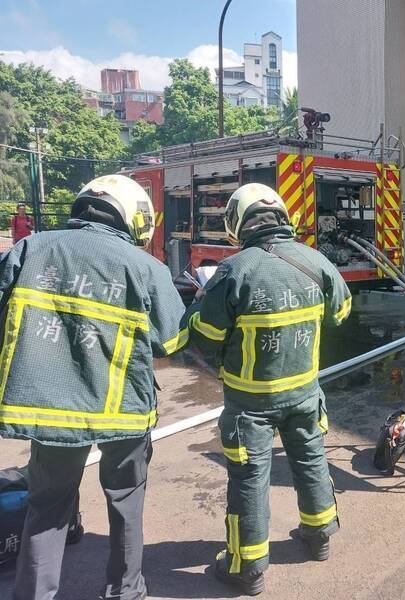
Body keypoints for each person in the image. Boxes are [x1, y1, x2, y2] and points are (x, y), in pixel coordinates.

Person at [0, 175, 188, 600]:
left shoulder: (31, 249)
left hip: (51, 409)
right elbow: (172, 341)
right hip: (123, 410)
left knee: (47, 506)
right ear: (134, 218)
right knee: (126, 502)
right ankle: (125, 591)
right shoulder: (146, 268)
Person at [183, 183, 351, 596]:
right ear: (282, 216)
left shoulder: (235, 269)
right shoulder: (316, 260)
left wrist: (202, 299)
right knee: (311, 460)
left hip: (251, 401)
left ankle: (249, 567)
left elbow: (205, 332)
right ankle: (319, 537)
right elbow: (342, 311)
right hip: (305, 392)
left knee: (250, 478)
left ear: (238, 224)